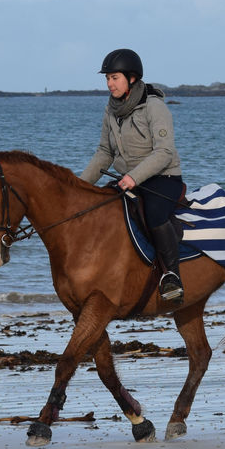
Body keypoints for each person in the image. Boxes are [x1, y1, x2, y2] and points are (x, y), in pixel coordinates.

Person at [78, 48, 187, 305]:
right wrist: (80, 187)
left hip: (164, 178)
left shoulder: (154, 107)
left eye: (114, 78)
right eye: (107, 79)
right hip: (130, 179)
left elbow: (164, 152)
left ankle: (172, 276)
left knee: (154, 214)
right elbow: (104, 152)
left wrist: (133, 178)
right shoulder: (111, 110)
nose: (109, 84)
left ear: (132, 78)